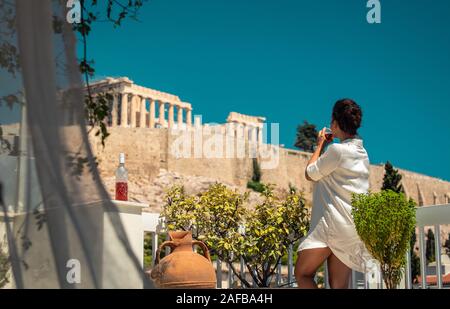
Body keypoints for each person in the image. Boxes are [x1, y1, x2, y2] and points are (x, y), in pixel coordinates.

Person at [294, 98, 372, 289]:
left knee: (302, 274)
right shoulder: (363, 154)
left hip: (331, 227)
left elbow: (310, 173)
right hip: (351, 230)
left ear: (336, 123)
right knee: (339, 286)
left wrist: (319, 144)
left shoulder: (336, 151)